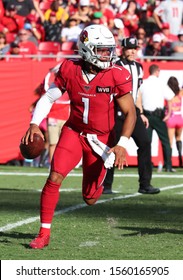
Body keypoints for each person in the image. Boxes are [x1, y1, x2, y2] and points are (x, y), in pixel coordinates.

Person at [21, 24, 136, 249]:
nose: (108, 55)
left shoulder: (116, 73)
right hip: (73, 132)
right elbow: (48, 97)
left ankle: (98, 183)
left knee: (90, 199)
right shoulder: (69, 68)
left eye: (109, 49)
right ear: (86, 49)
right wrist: (34, 123)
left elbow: (131, 111)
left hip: (100, 139)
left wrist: (122, 143)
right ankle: (43, 233)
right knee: (54, 177)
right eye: (102, 50)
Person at [103, 37, 160, 195]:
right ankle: (106, 185)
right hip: (116, 112)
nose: (133, 51)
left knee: (145, 142)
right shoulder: (115, 65)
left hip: (133, 113)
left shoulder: (139, 67)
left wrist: (140, 112)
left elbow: (137, 93)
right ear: (122, 49)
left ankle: (145, 184)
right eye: (129, 48)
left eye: (135, 48)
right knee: (111, 147)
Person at [136, 64, 175, 172]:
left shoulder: (143, 83)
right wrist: (168, 113)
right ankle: (168, 166)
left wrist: (141, 113)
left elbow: (137, 97)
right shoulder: (161, 83)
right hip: (158, 116)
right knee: (165, 142)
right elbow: (171, 98)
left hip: (146, 116)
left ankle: (146, 165)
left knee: (146, 142)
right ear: (157, 71)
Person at [165, 76, 183, 167]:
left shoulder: (167, 92)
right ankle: (180, 159)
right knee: (179, 138)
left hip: (171, 118)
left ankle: (169, 163)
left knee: (169, 142)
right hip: (179, 118)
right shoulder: (180, 92)